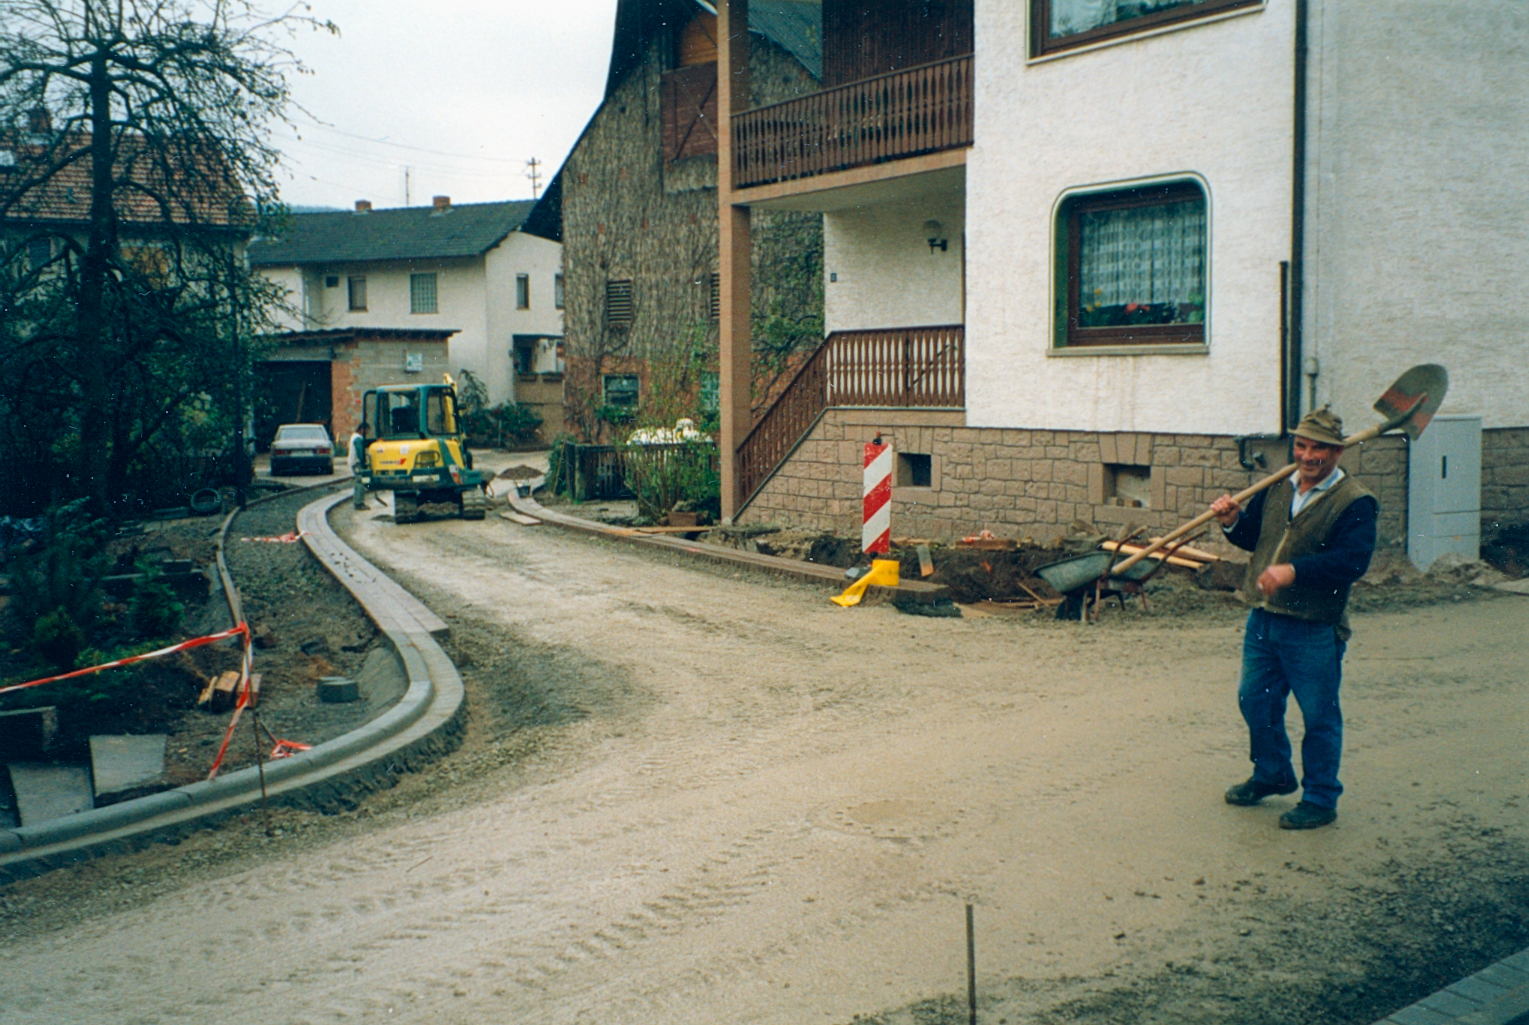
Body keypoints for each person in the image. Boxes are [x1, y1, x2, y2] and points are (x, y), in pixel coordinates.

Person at [1209, 406, 1378, 830]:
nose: (1307, 455)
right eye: (1301, 445)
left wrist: (1294, 571)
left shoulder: (1355, 501)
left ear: (1338, 452)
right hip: (1263, 618)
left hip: (1312, 624)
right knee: (1255, 700)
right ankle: (1273, 774)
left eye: (1318, 447)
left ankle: (1321, 799)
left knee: (1318, 714)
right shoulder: (1278, 486)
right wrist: (1232, 522)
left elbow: (1352, 562)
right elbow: (1257, 539)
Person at [349, 421, 370, 510]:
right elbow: (360, 452)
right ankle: (359, 503)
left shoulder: (354, 436)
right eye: (366, 431)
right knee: (360, 482)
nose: (367, 433)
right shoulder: (358, 439)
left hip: (353, 462)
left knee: (358, 482)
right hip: (356, 463)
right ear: (362, 429)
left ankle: (357, 501)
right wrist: (364, 462)